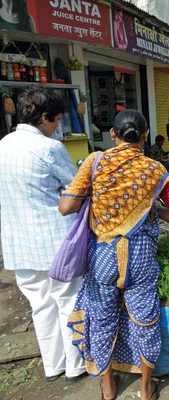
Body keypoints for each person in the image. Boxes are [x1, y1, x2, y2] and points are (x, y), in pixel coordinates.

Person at [59, 110, 169, 400]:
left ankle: (108, 386)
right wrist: (152, 209)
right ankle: (145, 387)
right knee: (145, 318)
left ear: (113, 135)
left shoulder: (95, 161)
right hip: (140, 256)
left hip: (102, 255)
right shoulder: (156, 170)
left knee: (101, 319)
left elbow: (66, 207)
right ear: (144, 136)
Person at [0, 88, 86, 383]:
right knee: (68, 301)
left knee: (41, 307)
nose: (59, 126)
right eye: (58, 120)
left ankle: (53, 366)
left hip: (18, 244)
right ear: (46, 118)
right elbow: (76, 187)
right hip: (54, 243)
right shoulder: (49, 148)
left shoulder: (3, 144)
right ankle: (75, 366)